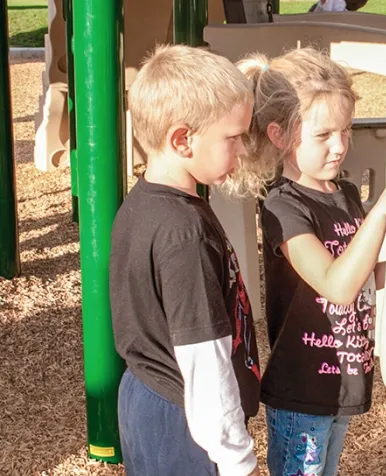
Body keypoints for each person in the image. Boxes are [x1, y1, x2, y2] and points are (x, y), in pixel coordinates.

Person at [230, 47, 386, 476]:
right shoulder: (284, 206)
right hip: (302, 386)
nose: (340, 147)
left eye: (347, 130)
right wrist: (385, 210)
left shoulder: (346, 194)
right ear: (280, 135)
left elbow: (364, 276)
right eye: (323, 135)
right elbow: (336, 285)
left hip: (343, 374)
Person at [109, 44, 262, 476]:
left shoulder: (145, 203)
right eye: (233, 138)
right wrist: (239, 462)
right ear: (182, 139)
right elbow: (204, 361)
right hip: (185, 420)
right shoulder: (184, 235)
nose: (242, 150)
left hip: (147, 397)